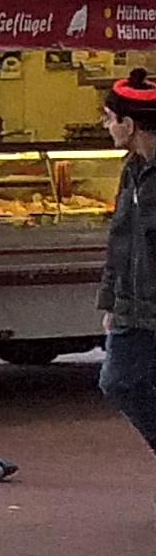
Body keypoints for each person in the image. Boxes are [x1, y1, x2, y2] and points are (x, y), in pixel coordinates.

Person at [100, 70, 156, 454]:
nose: (106, 127)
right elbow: (119, 237)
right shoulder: (131, 170)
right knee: (117, 380)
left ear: (129, 124)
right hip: (132, 306)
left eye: (109, 118)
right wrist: (110, 300)